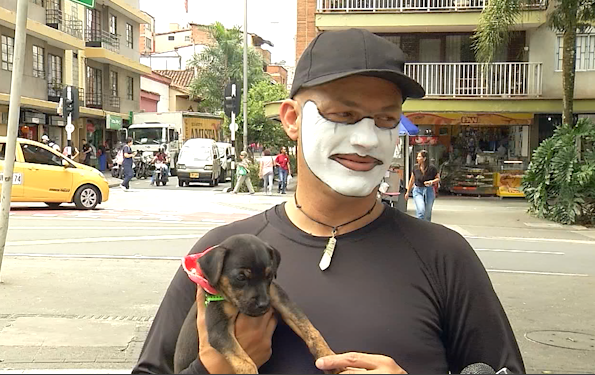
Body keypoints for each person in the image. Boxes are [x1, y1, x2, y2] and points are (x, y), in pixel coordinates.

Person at [133, 28, 524, 375]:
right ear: (292, 119)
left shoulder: (445, 256)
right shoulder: (221, 254)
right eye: (343, 114)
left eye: (386, 120)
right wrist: (209, 370)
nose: (367, 140)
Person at [405, 150, 440, 222]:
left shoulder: (432, 168)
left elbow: (438, 178)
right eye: (417, 157)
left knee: (427, 214)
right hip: (418, 190)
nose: (417, 158)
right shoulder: (415, 168)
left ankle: (426, 229)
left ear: (424, 158)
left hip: (429, 190)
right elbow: (412, 180)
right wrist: (408, 192)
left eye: (419, 156)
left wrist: (431, 182)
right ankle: (419, 228)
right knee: (421, 210)